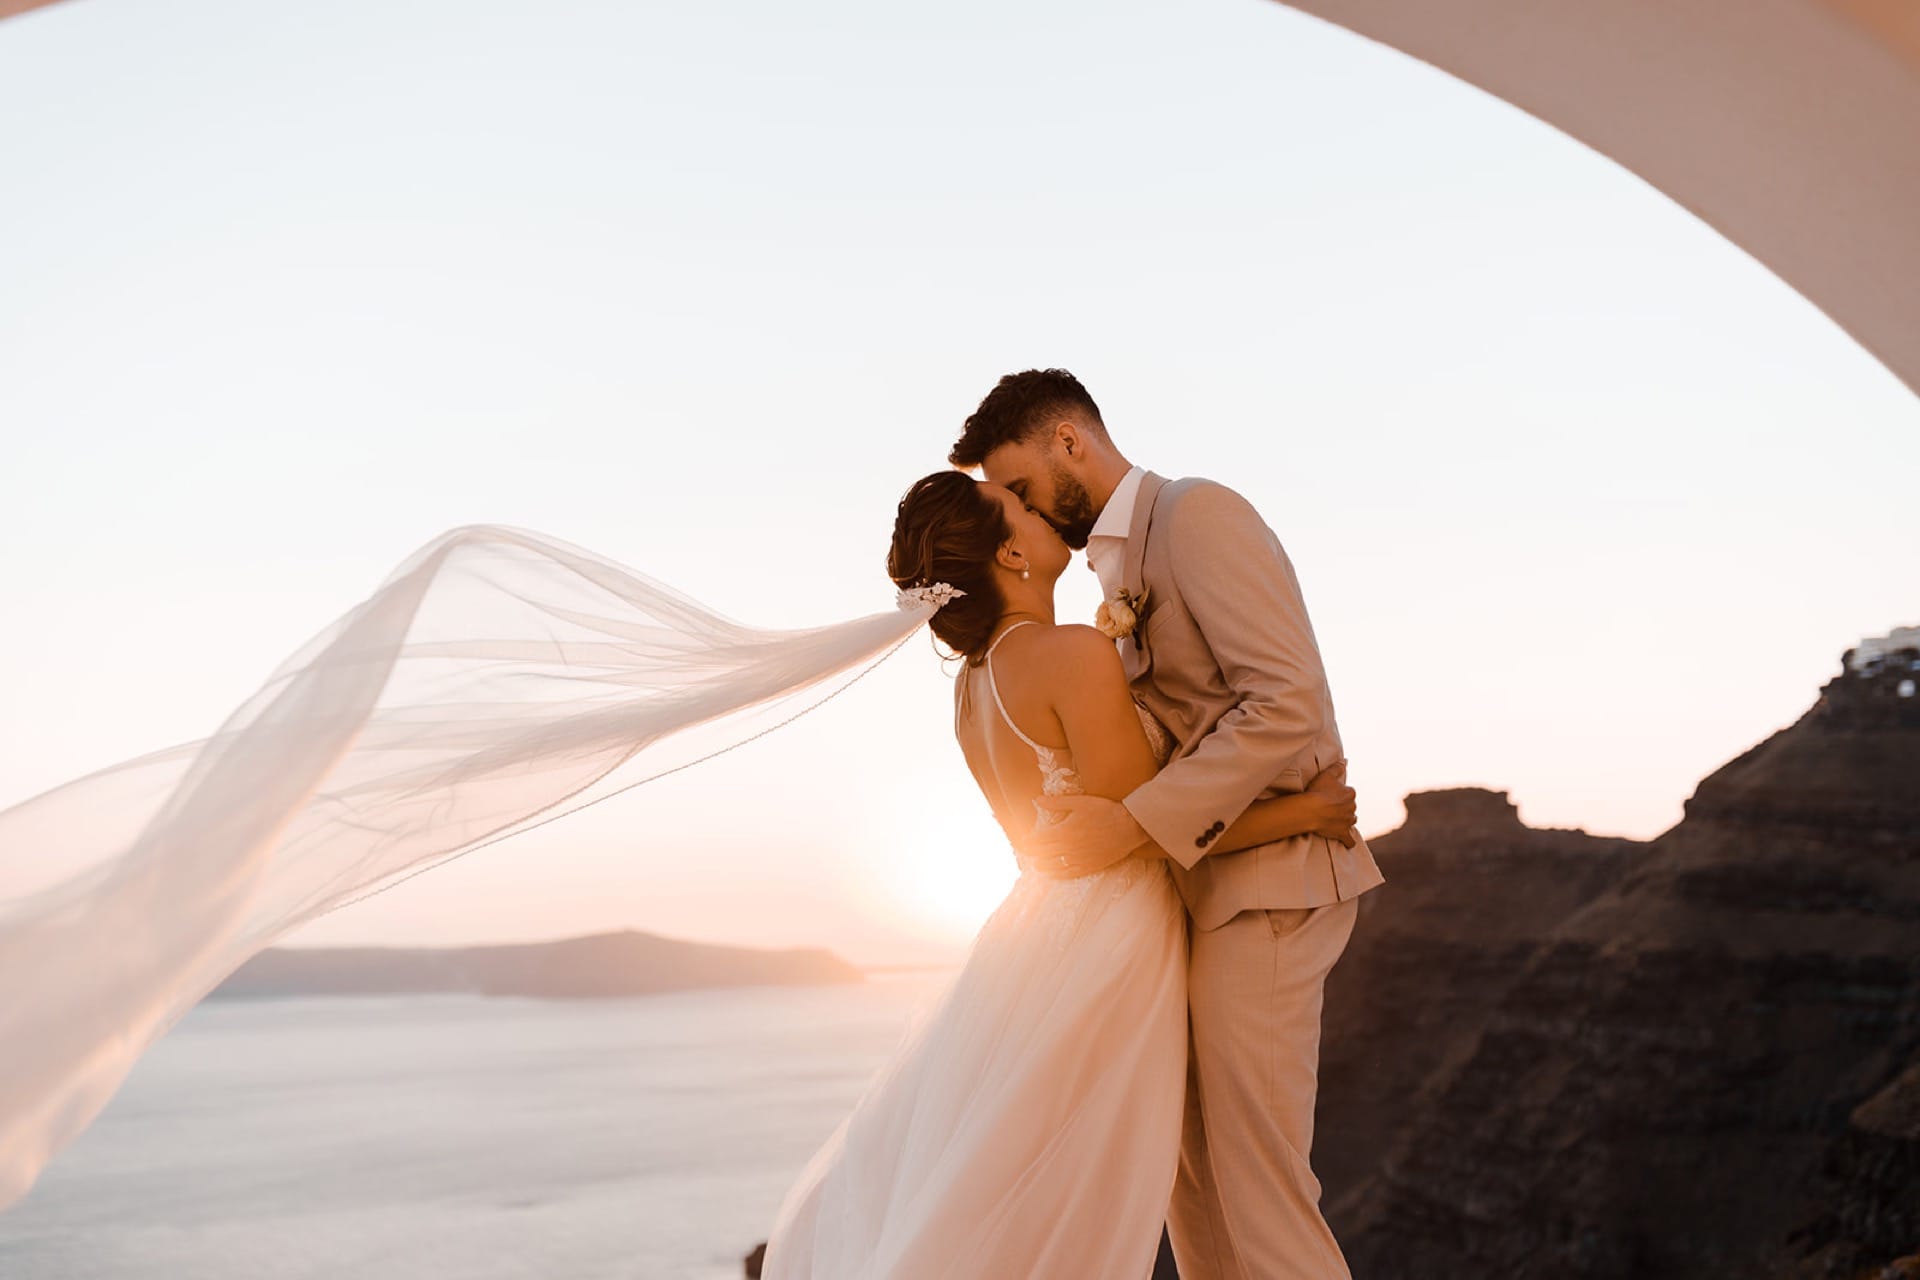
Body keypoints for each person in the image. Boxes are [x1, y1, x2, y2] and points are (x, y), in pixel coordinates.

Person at [760, 469, 1358, 1278]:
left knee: (1034, 1188)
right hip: (1113, 944)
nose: (1041, 514)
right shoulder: (1072, 655)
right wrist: (1302, 815)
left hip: (1035, 939)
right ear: (1011, 551)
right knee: (1094, 1200)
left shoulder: (974, 688)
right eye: (1021, 508)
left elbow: (1078, 836)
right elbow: (1133, 832)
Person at [957, 368, 1387, 1280]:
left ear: (1070, 440)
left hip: (1270, 892)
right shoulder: (1109, 576)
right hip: (1195, 897)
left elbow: (1287, 701)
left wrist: (1135, 828)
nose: (1027, 513)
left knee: (1260, 1194)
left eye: (1024, 489)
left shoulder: (1196, 516)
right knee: (1196, 1201)